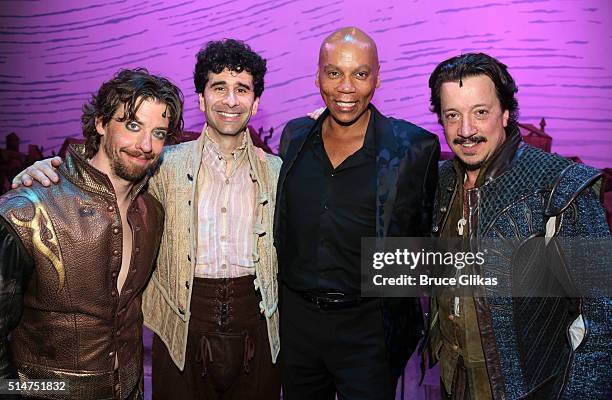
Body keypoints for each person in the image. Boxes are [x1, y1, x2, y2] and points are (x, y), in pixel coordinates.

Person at [13, 39, 282, 400]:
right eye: (219, 88)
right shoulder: (162, 164)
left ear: (256, 102)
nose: (231, 100)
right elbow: (101, 177)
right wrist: (47, 173)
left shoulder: (278, 172)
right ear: (202, 99)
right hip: (179, 331)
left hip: (257, 328)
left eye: (242, 90)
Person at [423, 52, 612, 399]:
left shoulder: (560, 188)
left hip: (528, 388)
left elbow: (601, 318)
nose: (466, 130)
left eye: (480, 112)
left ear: (506, 113)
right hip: (454, 382)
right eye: (453, 115)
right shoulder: (440, 182)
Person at [274, 27, 439, 399]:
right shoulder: (295, 137)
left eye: (360, 74)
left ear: (377, 78)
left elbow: (425, 235)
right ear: (317, 76)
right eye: (334, 73)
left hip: (369, 332)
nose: (346, 87)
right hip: (297, 326)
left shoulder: (413, 148)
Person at [0, 68, 184, 399]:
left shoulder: (152, 213)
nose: (145, 145)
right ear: (100, 123)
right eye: (132, 125)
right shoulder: (28, 208)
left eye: (159, 133)